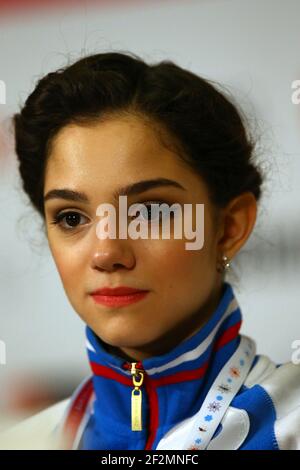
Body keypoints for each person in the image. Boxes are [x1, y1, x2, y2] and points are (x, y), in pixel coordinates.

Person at [1, 51, 299, 450]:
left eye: (149, 211)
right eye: (72, 218)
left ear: (228, 228)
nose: (107, 252)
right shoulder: (24, 444)